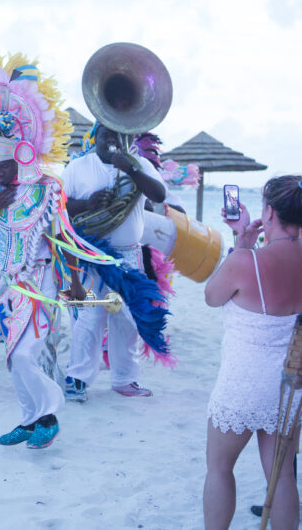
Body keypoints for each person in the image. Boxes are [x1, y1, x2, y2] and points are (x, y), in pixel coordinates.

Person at [0, 54, 102, 450]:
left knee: (26, 353)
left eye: (4, 165)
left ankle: (50, 415)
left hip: (39, 280)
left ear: (21, 153)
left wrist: (73, 282)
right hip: (3, 284)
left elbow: (62, 240)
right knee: (14, 356)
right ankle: (28, 419)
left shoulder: (45, 189)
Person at [203, 175, 302, 530]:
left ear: (268, 210)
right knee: (281, 477)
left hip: (245, 379)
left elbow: (212, 297)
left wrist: (240, 245)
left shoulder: (246, 261)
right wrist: (245, 243)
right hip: (290, 379)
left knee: (219, 468)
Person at [62, 123, 174, 401]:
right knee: (90, 315)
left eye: (118, 135)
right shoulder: (78, 167)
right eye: (106, 135)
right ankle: (77, 378)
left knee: (126, 318)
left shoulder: (139, 164)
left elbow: (159, 196)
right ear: (95, 137)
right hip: (91, 252)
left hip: (128, 254)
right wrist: (87, 205)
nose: (112, 140)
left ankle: (125, 379)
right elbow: (60, 205)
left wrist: (131, 169)